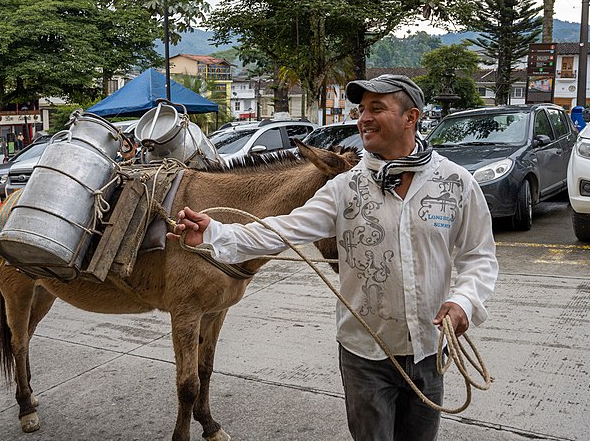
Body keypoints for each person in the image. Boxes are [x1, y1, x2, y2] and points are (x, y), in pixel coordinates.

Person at [168, 74, 498, 441]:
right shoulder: (345, 188)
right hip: (364, 355)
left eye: (377, 108)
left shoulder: (455, 183)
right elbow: (283, 229)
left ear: (411, 117)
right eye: (360, 110)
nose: (363, 118)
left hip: (429, 350)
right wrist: (214, 232)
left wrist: (464, 300)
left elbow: (479, 255)